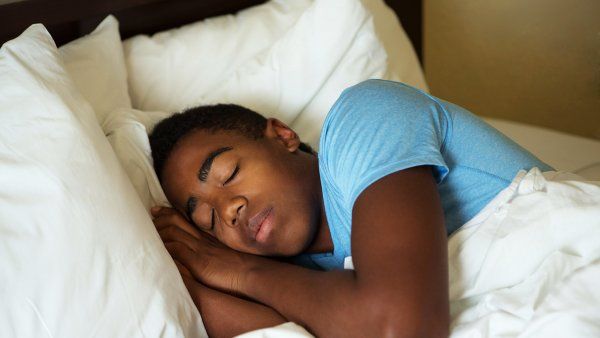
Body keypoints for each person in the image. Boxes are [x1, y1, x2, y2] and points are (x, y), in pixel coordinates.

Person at [148, 79, 552, 337]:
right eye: (209, 220)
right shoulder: (295, 278)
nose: (229, 211)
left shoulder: (364, 118)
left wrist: (241, 271)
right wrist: (188, 278)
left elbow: (400, 327)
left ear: (283, 136)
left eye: (229, 171)